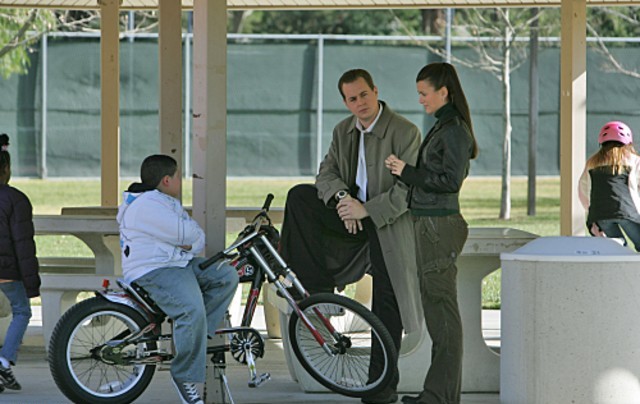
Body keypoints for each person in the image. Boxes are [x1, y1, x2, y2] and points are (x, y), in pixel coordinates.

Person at [280, 68, 422, 404]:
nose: (360, 103)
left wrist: (366, 210)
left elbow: (408, 191)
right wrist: (344, 199)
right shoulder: (343, 131)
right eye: (351, 98)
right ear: (345, 101)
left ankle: (380, 390)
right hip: (349, 216)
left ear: (375, 90)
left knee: (387, 305)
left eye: (364, 95)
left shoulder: (405, 131)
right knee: (300, 197)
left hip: (387, 223)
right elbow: (325, 173)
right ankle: (315, 289)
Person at [385, 62, 478, 404]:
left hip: (439, 226)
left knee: (442, 314)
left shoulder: (453, 130)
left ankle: (439, 397)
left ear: (444, 92)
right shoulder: (445, 126)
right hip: (429, 224)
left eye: (425, 93)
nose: (421, 100)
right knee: (438, 314)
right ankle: (439, 395)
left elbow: (450, 182)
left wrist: (407, 172)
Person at [117, 154, 239, 404]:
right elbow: (190, 233)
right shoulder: (148, 205)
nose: (180, 181)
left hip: (175, 262)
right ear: (166, 180)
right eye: (177, 177)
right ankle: (184, 376)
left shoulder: (160, 201)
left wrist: (190, 239)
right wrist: (190, 238)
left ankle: (194, 337)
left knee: (226, 275)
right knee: (191, 311)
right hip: (155, 269)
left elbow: (194, 239)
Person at [0, 134, 40, 393]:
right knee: (22, 311)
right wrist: (31, 283)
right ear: (6, 169)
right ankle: (4, 360)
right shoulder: (16, 199)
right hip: (7, 270)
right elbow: (23, 244)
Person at [578, 121, 640, 250]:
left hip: (600, 215)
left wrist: (590, 210)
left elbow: (583, 189)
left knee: (616, 251)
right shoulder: (634, 160)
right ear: (628, 142)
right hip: (628, 212)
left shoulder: (592, 162)